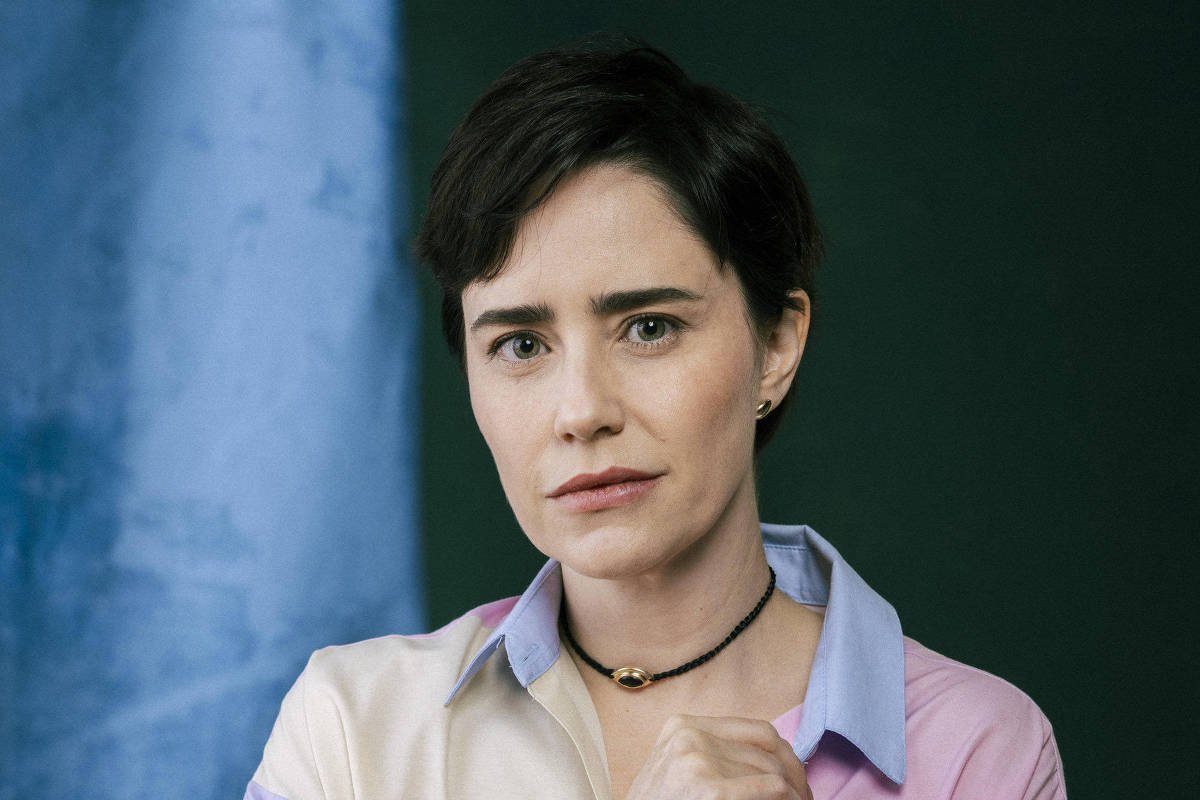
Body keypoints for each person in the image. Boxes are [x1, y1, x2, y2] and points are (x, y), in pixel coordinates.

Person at [246, 39, 1066, 800]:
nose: (582, 412)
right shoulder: (351, 729)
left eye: (648, 328)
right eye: (521, 344)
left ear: (776, 345)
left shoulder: (978, 748)